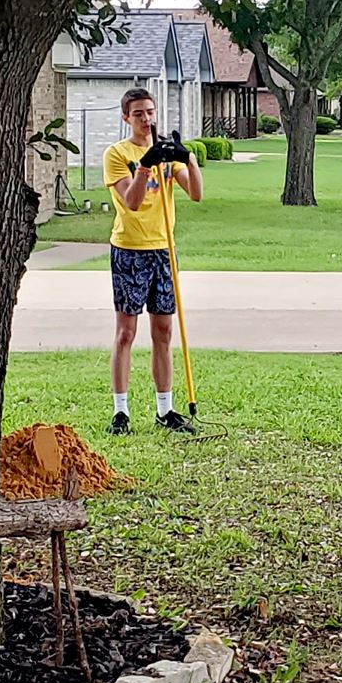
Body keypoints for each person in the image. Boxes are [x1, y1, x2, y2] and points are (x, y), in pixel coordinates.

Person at [103, 86, 203, 434]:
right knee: (126, 332)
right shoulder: (117, 154)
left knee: (163, 330)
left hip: (163, 249)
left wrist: (186, 157)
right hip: (130, 249)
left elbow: (196, 193)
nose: (146, 119)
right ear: (126, 118)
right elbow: (130, 201)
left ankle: (166, 409)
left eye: (150, 112)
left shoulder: (166, 154)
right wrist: (145, 165)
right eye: (138, 114)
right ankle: (121, 412)